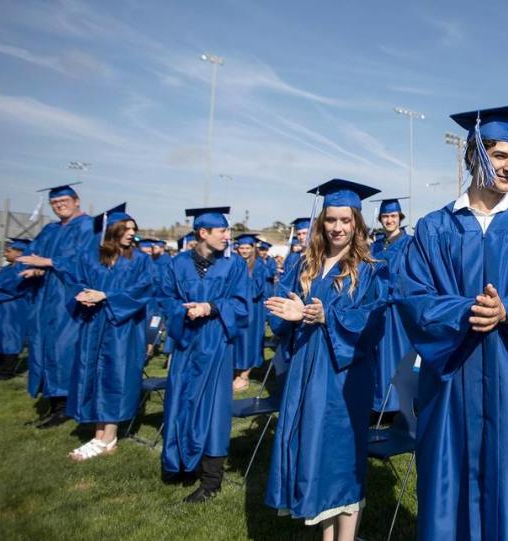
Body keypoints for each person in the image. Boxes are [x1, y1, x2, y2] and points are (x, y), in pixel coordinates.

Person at [397, 104, 508, 540]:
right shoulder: (435, 227)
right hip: (452, 383)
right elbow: (412, 297)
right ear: (473, 155)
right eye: (500, 155)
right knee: (450, 482)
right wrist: (465, 312)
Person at [264, 179, 387, 539]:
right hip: (305, 370)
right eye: (331, 220)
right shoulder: (305, 264)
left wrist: (326, 318)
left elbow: (373, 319)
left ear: (357, 224)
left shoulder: (369, 269)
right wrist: (288, 316)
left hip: (343, 378)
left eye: (346, 220)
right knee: (312, 452)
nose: (338, 227)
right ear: (322, 223)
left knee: (341, 459)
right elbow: (281, 309)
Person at [21, 204, 154, 460]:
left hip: (122, 328)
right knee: (93, 374)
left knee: (116, 376)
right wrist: (83, 295)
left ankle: (109, 436)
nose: (131, 233)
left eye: (133, 229)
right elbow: (73, 279)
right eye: (126, 229)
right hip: (94, 324)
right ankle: (99, 433)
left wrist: (106, 295)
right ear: (111, 231)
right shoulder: (91, 257)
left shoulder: (140, 260)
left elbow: (144, 290)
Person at [158, 206, 250, 503]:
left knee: (213, 410)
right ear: (203, 233)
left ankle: (211, 480)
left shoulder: (233, 266)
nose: (228, 236)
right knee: (180, 402)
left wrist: (210, 307)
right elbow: (165, 299)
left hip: (216, 344)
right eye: (222, 231)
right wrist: (184, 311)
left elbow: (242, 305)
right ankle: (183, 464)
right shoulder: (177, 264)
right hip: (186, 343)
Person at [18, 183, 96, 428]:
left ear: (76, 201)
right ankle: (53, 404)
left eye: (64, 201)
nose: (59, 205)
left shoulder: (88, 227)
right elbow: (31, 254)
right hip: (46, 297)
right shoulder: (50, 229)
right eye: (55, 203)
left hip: (70, 299)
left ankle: (65, 405)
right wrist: (34, 267)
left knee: (64, 349)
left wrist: (49, 262)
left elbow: (88, 262)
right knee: (43, 345)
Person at [369, 198, 413, 413]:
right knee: (377, 355)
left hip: (397, 309)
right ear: (380, 219)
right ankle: (379, 402)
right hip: (376, 309)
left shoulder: (409, 243)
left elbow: (412, 276)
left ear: (400, 218)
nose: (389, 220)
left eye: (393, 216)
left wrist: (392, 290)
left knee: (397, 354)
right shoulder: (374, 246)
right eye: (385, 216)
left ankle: (397, 403)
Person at [0, 238, 32, 380]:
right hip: (0, 310)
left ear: (19, 254)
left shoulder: (24, 269)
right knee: (0, 340)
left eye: (8, 251)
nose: (5, 254)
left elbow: (12, 288)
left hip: (13, 311)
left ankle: (6, 372)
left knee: (10, 340)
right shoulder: (7, 268)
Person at [232, 234, 269, 392]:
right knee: (237, 339)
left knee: (249, 340)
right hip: (237, 308)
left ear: (253, 248)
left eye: (247, 247)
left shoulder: (259, 266)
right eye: (242, 247)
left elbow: (256, 290)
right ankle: (236, 371)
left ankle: (245, 374)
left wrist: (240, 285)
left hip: (253, 309)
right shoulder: (234, 263)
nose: (244, 250)